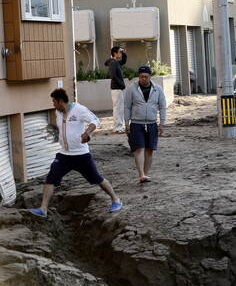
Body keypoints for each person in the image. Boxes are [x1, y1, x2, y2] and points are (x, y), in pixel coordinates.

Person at [29, 89, 122, 218]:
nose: (53, 105)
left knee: (96, 178)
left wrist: (87, 133)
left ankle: (116, 200)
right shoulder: (59, 112)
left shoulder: (79, 109)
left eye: (54, 102)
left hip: (81, 155)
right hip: (64, 155)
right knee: (50, 178)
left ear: (61, 101)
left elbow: (95, 121)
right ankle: (43, 209)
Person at [124, 65, 167, 184]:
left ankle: (145, 174)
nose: (143, 79)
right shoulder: (131, 89)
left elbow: (162, 106)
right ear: (139, 77)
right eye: (141, 77)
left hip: (152, 123)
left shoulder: (157, 89)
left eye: (146, 77)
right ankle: (141, 174)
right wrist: (126, 123)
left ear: (150, 77)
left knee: (149, 150)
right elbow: (127, 106)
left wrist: (162, 123)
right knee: (139, 148)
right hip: (136, 123)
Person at [104, 46, 127, 133]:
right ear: (115, 54)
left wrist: (124, 53)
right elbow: (113, 76)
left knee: (119, 107)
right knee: (118, 108)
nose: (121, 54)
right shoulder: (113, 63)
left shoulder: (116, 62)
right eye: (119, 52)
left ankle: (119, 126)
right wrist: (121, 84)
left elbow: (124, 61)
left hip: (118, 88)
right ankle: (117, 128)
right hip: (117, 88)